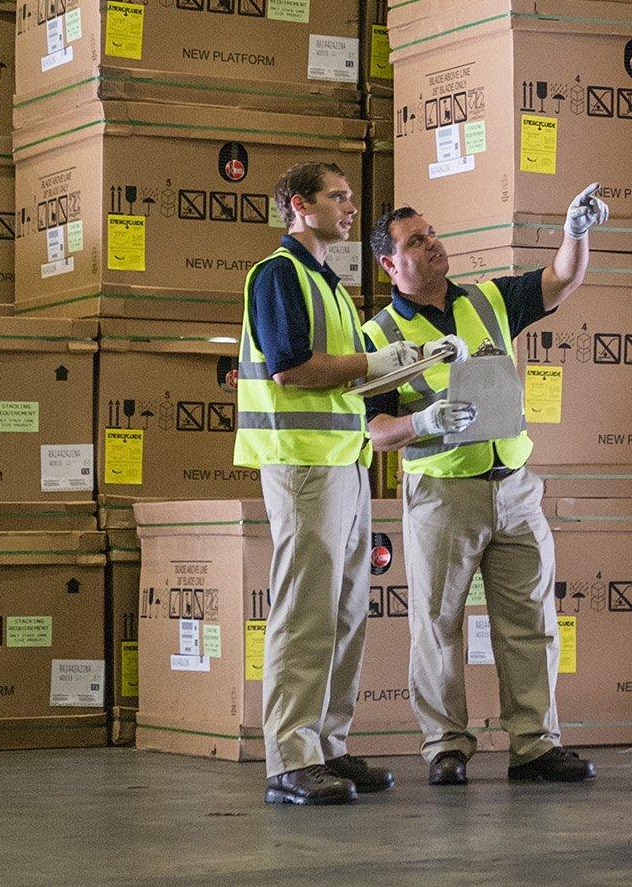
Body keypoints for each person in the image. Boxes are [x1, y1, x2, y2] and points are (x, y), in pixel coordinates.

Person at [362, 183, 610, 785]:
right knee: (436, 621)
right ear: (390, 265)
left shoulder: (491, 299)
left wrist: (575, 233)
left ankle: (535, 744)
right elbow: (374, 430)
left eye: (432, 233)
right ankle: (445, 745)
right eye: (415, 241)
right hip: (445, 494)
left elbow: (561, 280)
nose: (432, 245)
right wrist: (423, 422)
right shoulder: (378, 337)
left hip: (516, 488)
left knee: (530, 619)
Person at [234, 161, 435, 807]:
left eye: (350, 197)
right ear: (300, 205)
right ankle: (290, 755)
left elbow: (349, 378)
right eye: (337, 197)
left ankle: (327, 743)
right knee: (305, 611)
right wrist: (378, 360)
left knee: (347, 610)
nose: (350, 208)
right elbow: (292, 368)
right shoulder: (277, 276)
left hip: (343, 461)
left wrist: (414, 370)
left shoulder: (331, 285)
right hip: (302, 463)